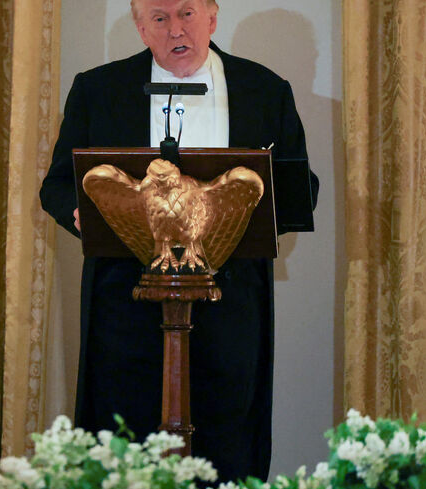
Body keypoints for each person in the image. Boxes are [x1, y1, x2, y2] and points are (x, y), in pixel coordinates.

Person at [39, 0, 318, 481]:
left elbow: (300, 189)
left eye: (187, 13)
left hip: (230, 303)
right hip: (124, 308)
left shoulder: (264, 89)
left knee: (226, 438)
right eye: (160, 18)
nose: (176, 29)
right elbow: (59, 185)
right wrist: (81, 212)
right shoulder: (98, 89)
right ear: (140, 27)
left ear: (212, 18)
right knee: (125, 440)